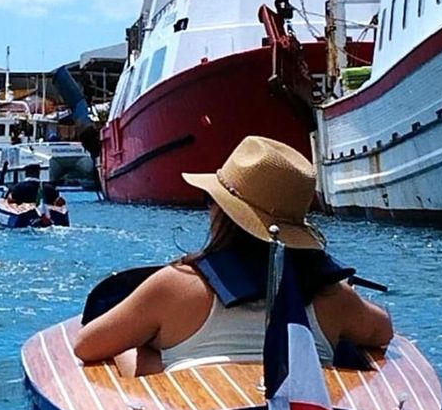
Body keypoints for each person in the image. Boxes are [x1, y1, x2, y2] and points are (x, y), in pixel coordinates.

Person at [74, 136, 392, 376]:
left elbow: (86, 346)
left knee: (135, 349)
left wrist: (144, 349)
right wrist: (346, 291)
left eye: (211, 200)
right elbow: (383, 331)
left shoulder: (174, 286)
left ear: (223, 213)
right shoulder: (332, 296)